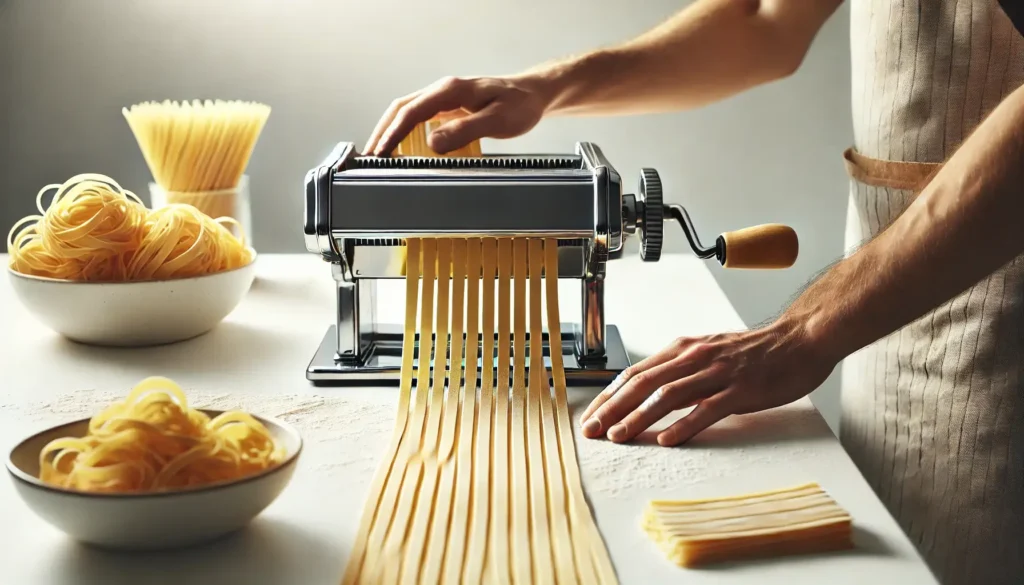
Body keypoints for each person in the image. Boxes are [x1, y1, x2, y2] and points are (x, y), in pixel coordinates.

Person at [364, 1, 1024, 583]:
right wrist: (544, 88)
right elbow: (763, 21)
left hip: (998, 308)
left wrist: (804, 329)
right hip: (880, 316)